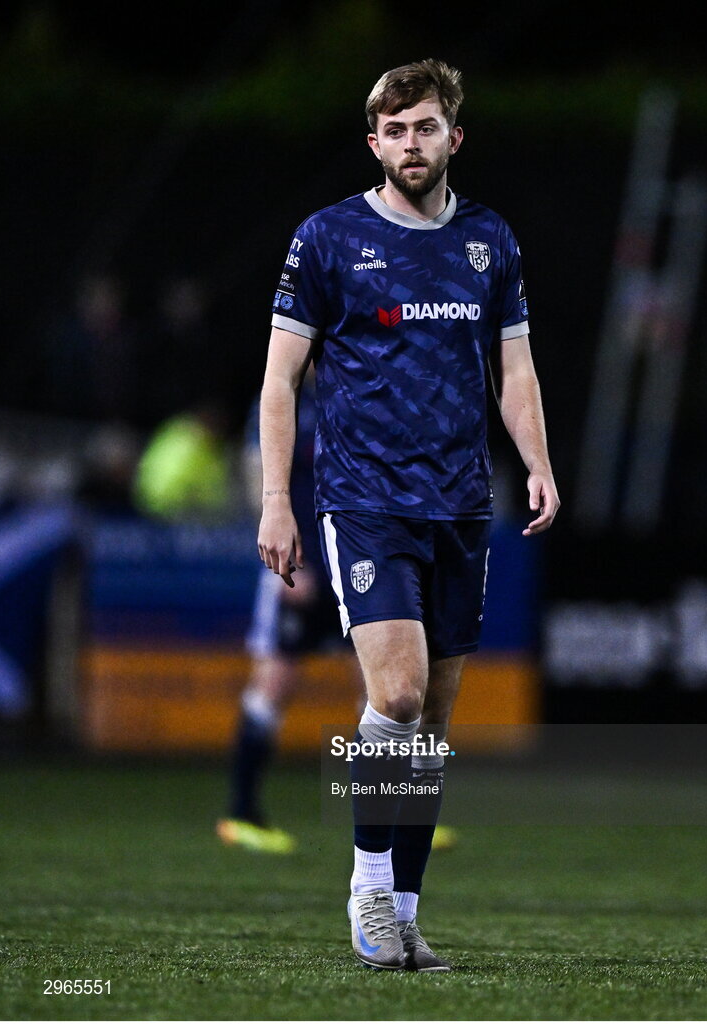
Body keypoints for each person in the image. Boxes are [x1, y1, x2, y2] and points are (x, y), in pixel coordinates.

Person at [257, 59, 559, 972]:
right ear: (374, 143)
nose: (410, 143)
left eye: (426, 127)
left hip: (462, 505)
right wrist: (278, 498)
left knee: (429, 723)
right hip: (365, 500)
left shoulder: (489, 243)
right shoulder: (329, 238)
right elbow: (280, 378)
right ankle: (366, 890)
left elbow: (514, 371)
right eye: (395, 130)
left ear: (452, 137)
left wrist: (538, 461)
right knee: (392, 694)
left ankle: (406, 912)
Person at [217, 370, 458, 855]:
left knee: (385, 690)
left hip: (356, 562)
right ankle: (241, 813)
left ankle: (397, 815)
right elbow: (256, 475)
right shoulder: (280, 399)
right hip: (298, 567)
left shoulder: (361, 394)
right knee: (274, 685)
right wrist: (279, 555)